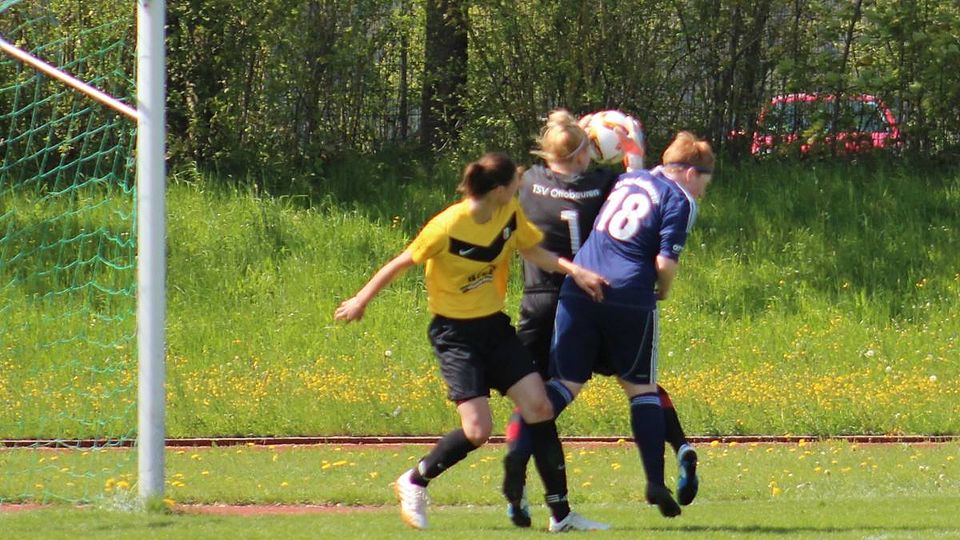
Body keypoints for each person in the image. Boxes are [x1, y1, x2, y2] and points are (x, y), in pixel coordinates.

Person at [334, 152, 610, 532]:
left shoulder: (508, 212)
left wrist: (575, 270)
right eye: (514, 181)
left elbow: (532, 250)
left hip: (494, 328)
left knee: (540, 406)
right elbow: (401, 262)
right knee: (478, 431)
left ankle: (561, 515)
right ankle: (414, 480)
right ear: (498, 189)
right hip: (455, 336)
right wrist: (360, 300)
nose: (519, 185)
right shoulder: (448, 225)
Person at [504, 128, 713, 523]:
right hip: (628, 294)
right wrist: (663, 290)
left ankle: (518, 453)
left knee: (562, 385)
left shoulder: (630, 179)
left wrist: (626, 142)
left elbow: (631, 168)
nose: (703, 190)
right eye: (705, 181)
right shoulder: (681, 198)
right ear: (690, 173)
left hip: (579, 286)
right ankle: (655, 482)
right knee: (641, 389)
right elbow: (664, 263)